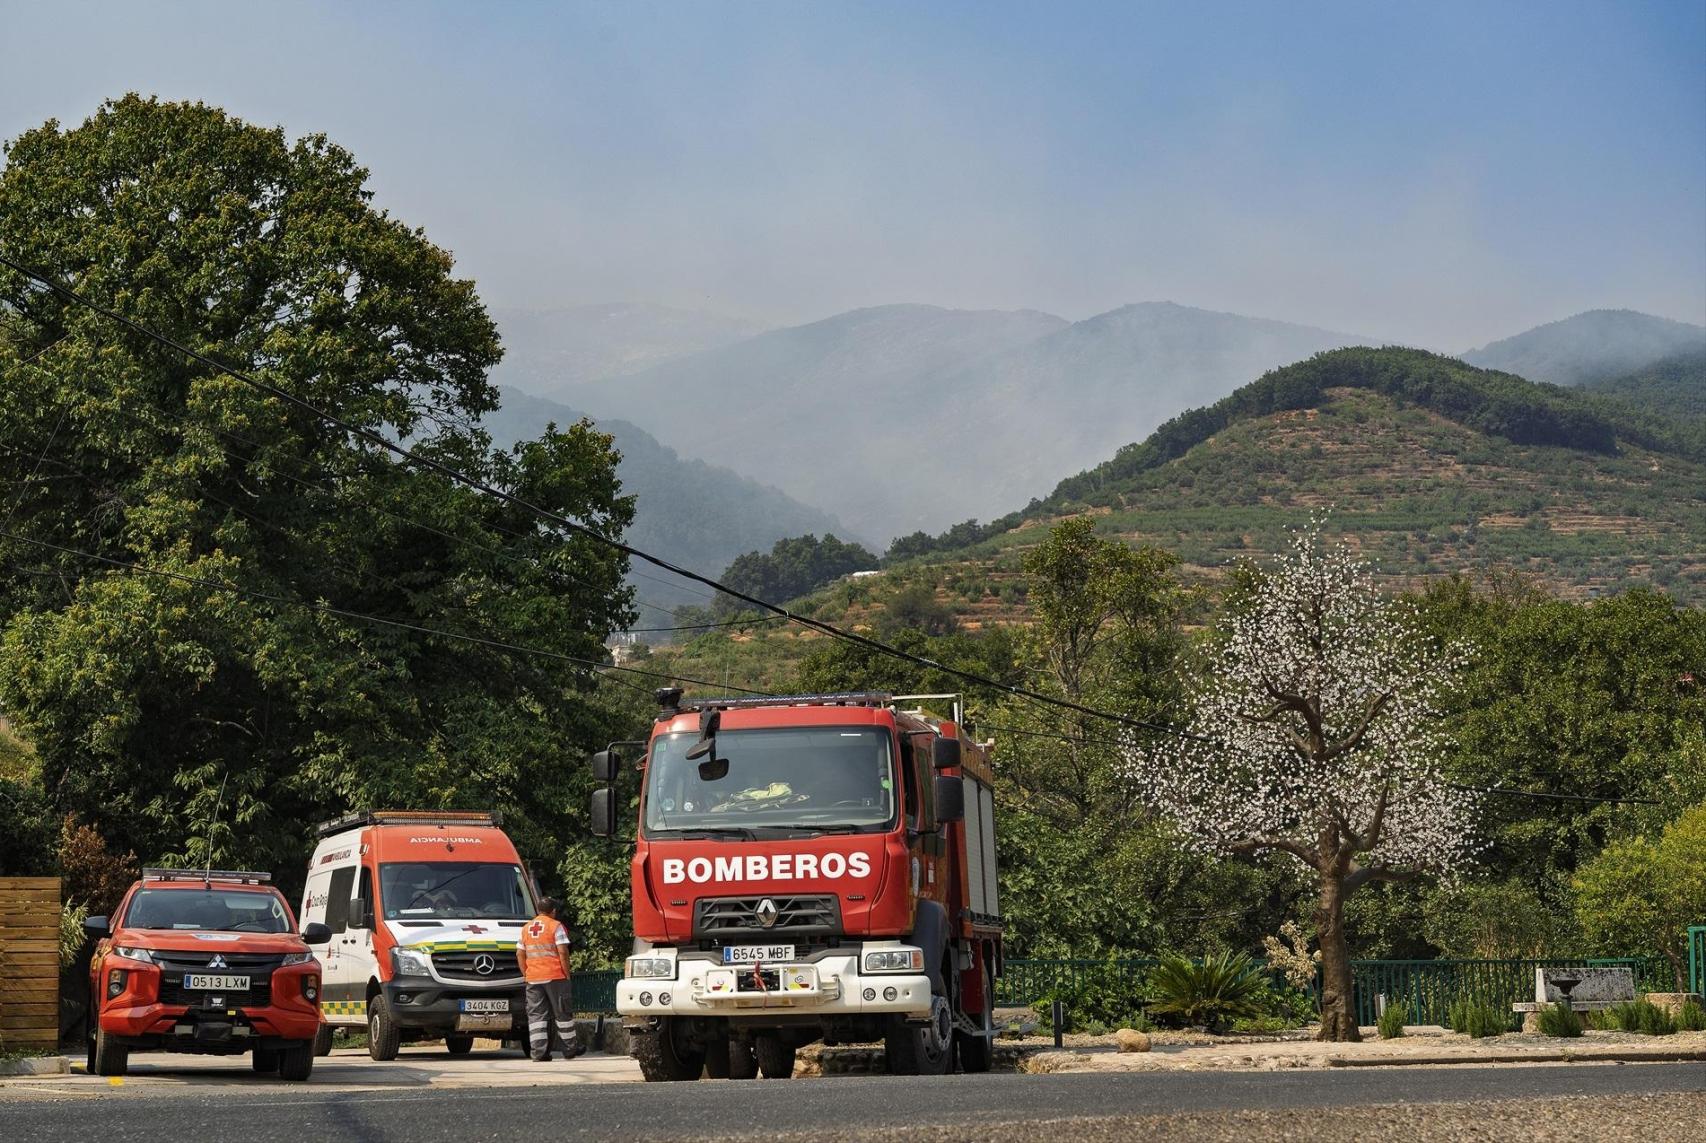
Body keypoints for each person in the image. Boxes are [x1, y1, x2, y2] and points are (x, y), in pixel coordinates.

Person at [516, 896, 580, 1061]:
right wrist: (566, 973)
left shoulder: (526, 928)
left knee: (537, 1016)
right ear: (553, 911)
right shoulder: (555, 926)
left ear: (538, 910)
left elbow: (520, 954)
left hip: (533, 978)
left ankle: (539, 1053)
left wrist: (526, 974)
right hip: (555, 976)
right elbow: (563, 952)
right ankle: (570, 1049)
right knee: (562, 1013)